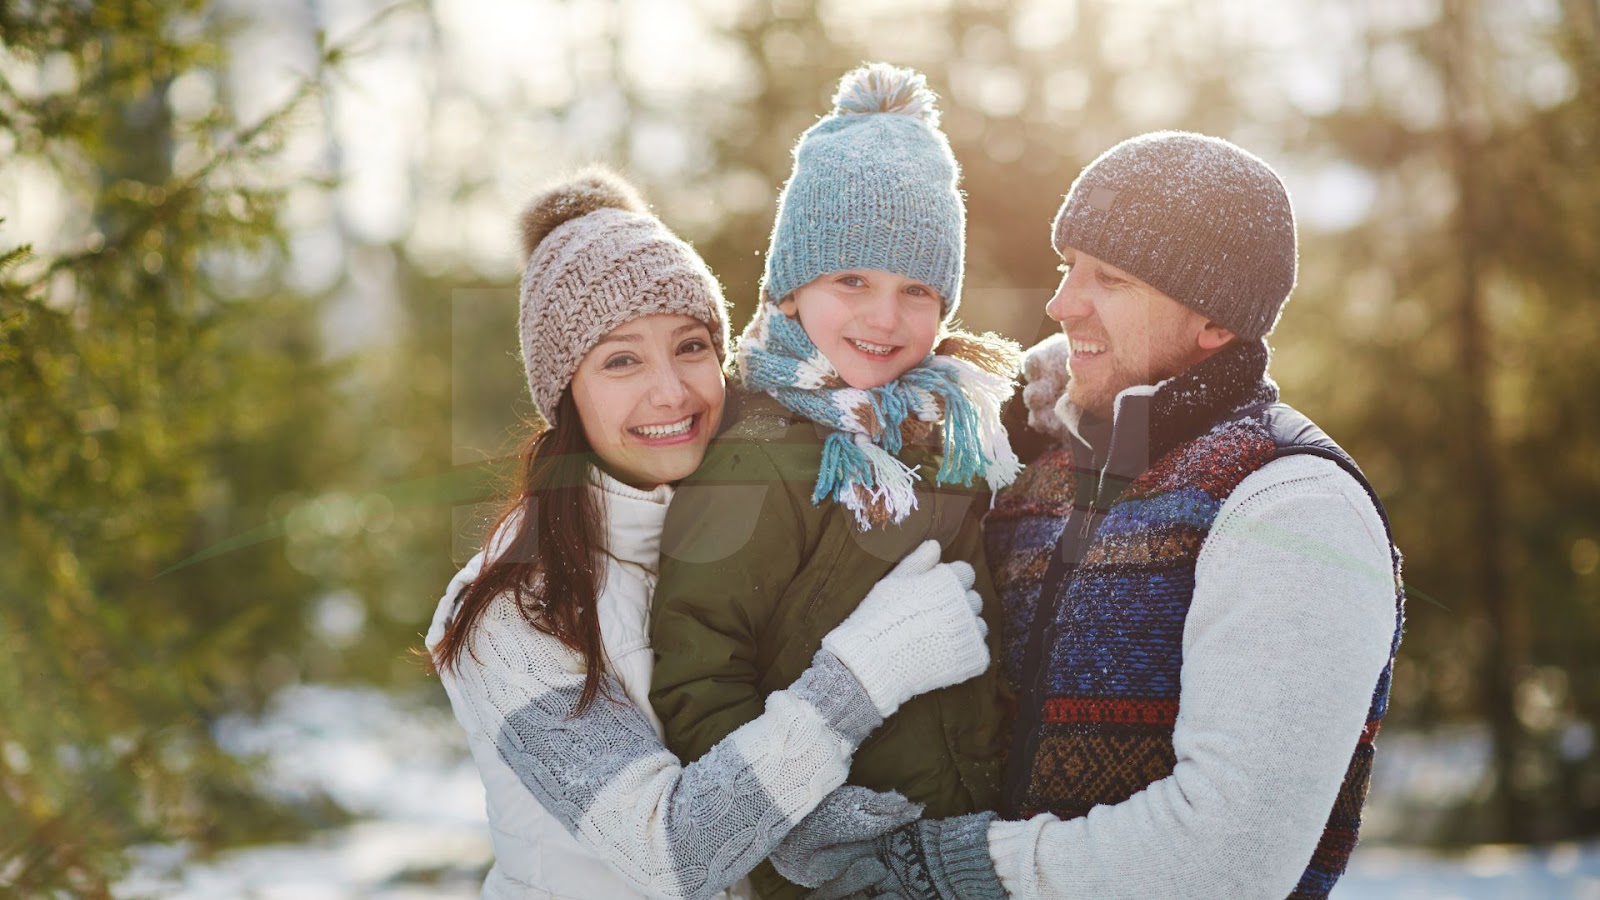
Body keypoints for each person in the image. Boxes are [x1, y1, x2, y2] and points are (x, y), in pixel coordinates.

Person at [771, 131, 1406, 899]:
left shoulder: (1290, 505)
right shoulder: (1031, 458)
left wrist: (942, 866)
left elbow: (1227, 861)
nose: (1061, 302)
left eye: (1110, 278)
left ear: (1214, 321)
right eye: (1069, 265)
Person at [424, 167, 995, 900]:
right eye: (622, 360)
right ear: (564, 390)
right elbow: (672, 855)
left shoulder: (750, 521)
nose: (671, 390)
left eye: (691, 346)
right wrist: (866, 673)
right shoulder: (510, 610)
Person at [647, 63, 1021, 900]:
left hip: (956, 848)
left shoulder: (947, 428)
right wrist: (806, 833)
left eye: (916, 290)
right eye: (852, 279)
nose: (885, 318)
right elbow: (698, 676)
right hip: (826, 868)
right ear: (789, 288)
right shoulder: (755, 458)